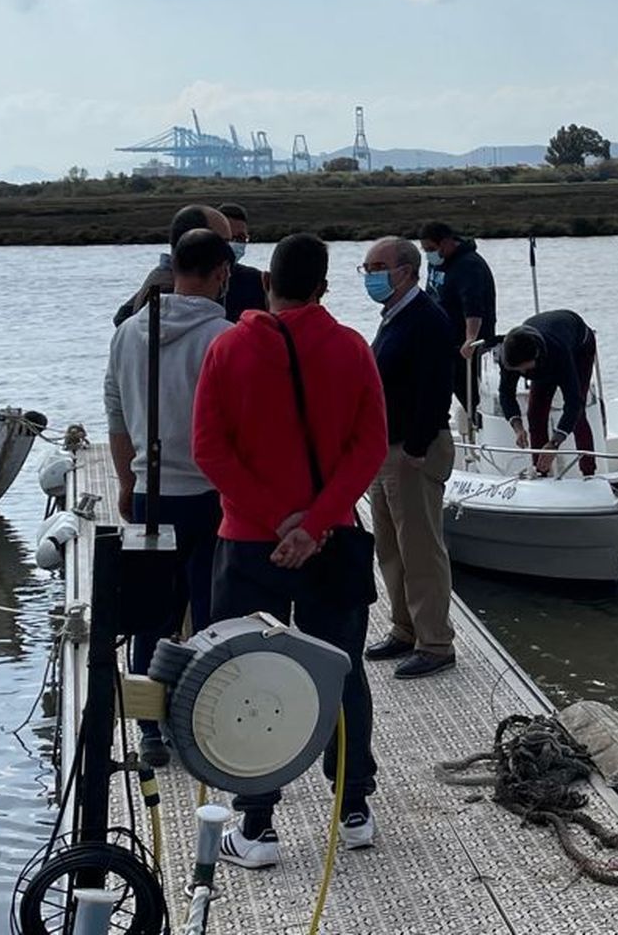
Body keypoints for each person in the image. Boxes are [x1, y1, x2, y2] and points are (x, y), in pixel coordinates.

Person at [192, 233, 387, 870]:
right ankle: (353, 809)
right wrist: (317, 522)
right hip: (333, 541)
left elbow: (209, 451)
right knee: (342, 670)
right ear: (325, 287)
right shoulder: (352, 347)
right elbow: (370, 447)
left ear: (267, 282)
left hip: (250, 544)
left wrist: (279, 522)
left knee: (250, 676)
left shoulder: (229, 348)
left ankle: (257, 825)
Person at [103, 229, 236, 768]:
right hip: (206, 496)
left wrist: (126, 481)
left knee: (149, 618)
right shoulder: (222, 337)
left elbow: (114, 416)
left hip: (151, 495)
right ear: (221, 273)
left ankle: (149, 730)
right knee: (207, 615)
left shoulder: (127, 333)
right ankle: (197, 723)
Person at [360, 237, 458, 679]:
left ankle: (435, 642)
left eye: (379, 266)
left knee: (421, 551)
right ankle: (403, 629)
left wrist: (417, 448)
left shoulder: (428, 318)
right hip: (386, 450)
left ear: (407, 270)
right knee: (391, 548)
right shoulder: (393, 317)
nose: (371, 275)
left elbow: (436, 389)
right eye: (366, 268)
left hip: (413, 452)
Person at [498, 310, 598, 477]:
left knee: (578, 415)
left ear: (535, 358)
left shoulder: (559, 352)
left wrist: (555, 442)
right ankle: (541, 471)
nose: (521, 373)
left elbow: (574, 402)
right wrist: (517, 427)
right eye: (517, 370)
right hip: (541, 351)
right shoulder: (508, 358)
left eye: (523, 369)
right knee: (535, 414)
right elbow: (506, 393)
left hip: (579, 346)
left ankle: (589, 472)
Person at [417, 221, 497, 422]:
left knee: (469, 389)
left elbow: (473, 306)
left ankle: (481, 425)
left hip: (465, 343)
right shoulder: (436, 262)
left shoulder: (469, 265)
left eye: (431, 249)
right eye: (425, 250)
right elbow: (431, 294)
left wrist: (471, 338)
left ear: (446, 243)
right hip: (441, 338)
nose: (428, 254)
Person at [113, 204, 234, 326]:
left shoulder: (161, 275)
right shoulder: (170, 289)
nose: (229, 250)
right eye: (223, 242)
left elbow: (122, 317)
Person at [217, 202, 269, 321]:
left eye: (240, 238)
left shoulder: (256, 281)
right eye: (228, 237)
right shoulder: (194, 281)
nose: (234, 243)